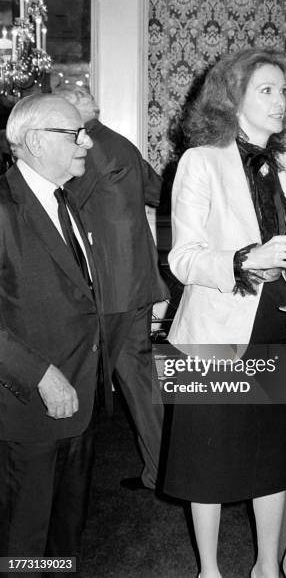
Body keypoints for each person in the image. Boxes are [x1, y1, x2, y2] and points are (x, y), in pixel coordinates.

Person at [162, 48, 286, 578]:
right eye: (266, 89)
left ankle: (267, 566)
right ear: (232, 97)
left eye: (283, 91)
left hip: (275, 323)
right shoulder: (200, 161)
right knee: (207, 457)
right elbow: (182, 258)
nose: (280, 100)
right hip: (213, 328)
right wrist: (246, 259)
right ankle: (210, 571)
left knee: (269, 456)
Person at [0, 94, 105, 567]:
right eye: (74, 133)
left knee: (65, 534)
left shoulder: (65, 200)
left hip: (79, 397)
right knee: (24, 540)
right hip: (28, 405)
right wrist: (40, 374)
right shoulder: (3, 209)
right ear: (37, 142)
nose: (86, 140)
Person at [54, 86, 169, 490]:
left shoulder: (88, 148)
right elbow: (158, 192)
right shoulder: (121, 143)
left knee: (125, 377)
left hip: (113, 287)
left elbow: (57, 203)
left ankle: (162, 470)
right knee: (138, 376)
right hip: (135, 279)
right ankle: (160, 468)